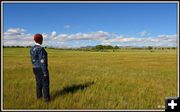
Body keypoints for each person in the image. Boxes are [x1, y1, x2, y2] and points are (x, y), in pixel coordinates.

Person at [30, 33, 50, 102]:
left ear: (34, 40)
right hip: (41, 69)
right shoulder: (41, 49)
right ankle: (46, 100)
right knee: (45, 84)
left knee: (38, 83)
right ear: (41, 40)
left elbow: (32, 60)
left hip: (35, 68)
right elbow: (42, 61)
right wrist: (45, 72)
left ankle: (39, 97)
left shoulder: (32, 49)